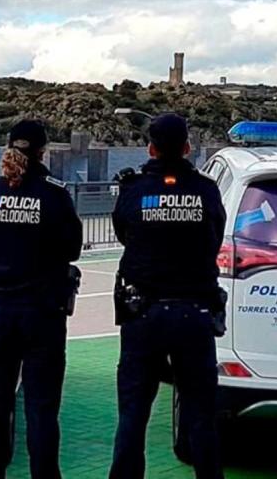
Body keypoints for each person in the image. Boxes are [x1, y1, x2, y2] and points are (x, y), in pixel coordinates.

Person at [109, 113, 227, 479]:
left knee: (133, 414)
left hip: (142, 313)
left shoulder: (133, 190)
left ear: (151, 148)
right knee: (201, 417)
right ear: (188, 147)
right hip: (194, 312)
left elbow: (123, 232)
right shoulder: (206, 190)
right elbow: (215, 238)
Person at [0, 119, 83, 479]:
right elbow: (72, 248)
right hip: (42, 316)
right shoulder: (54, 194)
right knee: (41, 409)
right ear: (42, 151)